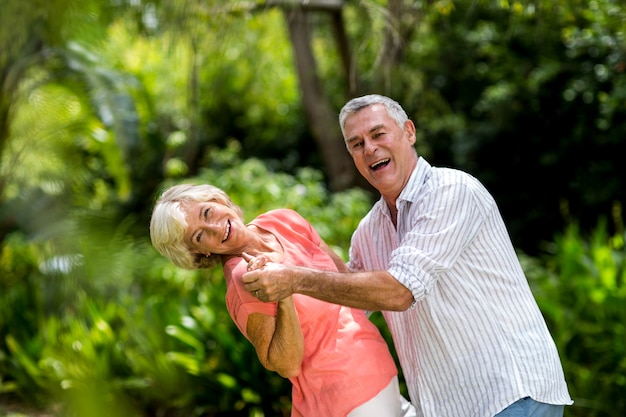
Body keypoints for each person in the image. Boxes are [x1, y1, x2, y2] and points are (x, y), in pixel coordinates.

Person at [241, 94, 573, 417]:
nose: (369, 148)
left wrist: (294, 278)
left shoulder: (450, 191)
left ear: (409, 132)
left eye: (378, 134)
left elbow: (400, 290)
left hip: (509, 392)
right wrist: (291, 255)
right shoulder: (369, 231)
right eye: (356, 144)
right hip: (449, 406)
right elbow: (347, 303)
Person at [149, 183, 416, 417]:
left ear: (217, 200)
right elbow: (285, 364)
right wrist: (284, 294)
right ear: (200, 251)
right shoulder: (245, 279)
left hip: (377, 371)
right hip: (344, 394)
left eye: (207, 213)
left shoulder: (282, 221)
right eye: (199, 235)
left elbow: (346, 284)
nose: (214, 228)